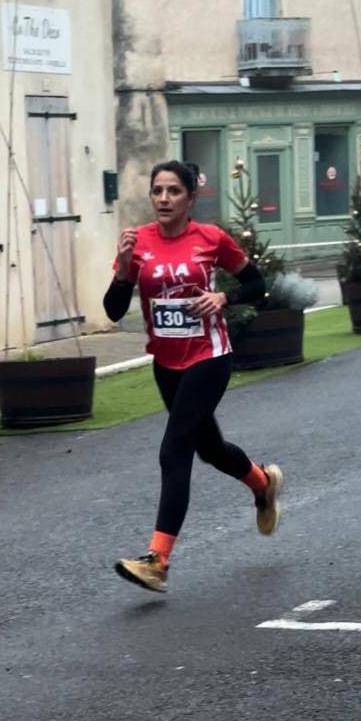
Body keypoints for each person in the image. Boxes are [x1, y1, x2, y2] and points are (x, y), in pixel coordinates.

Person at [103, 160, 283, 594]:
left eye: (173, 192)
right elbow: (111, 310)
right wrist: (126, 269)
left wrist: (223, 295)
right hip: (166, 363)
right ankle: (263, 482)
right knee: (210, 449)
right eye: (157, 191)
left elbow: (257, 286)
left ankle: (158, 560)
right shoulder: (139, 242)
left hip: (209, 356)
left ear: (190, 198)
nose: (164, 199)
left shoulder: (211, 239)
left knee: (174, 450)